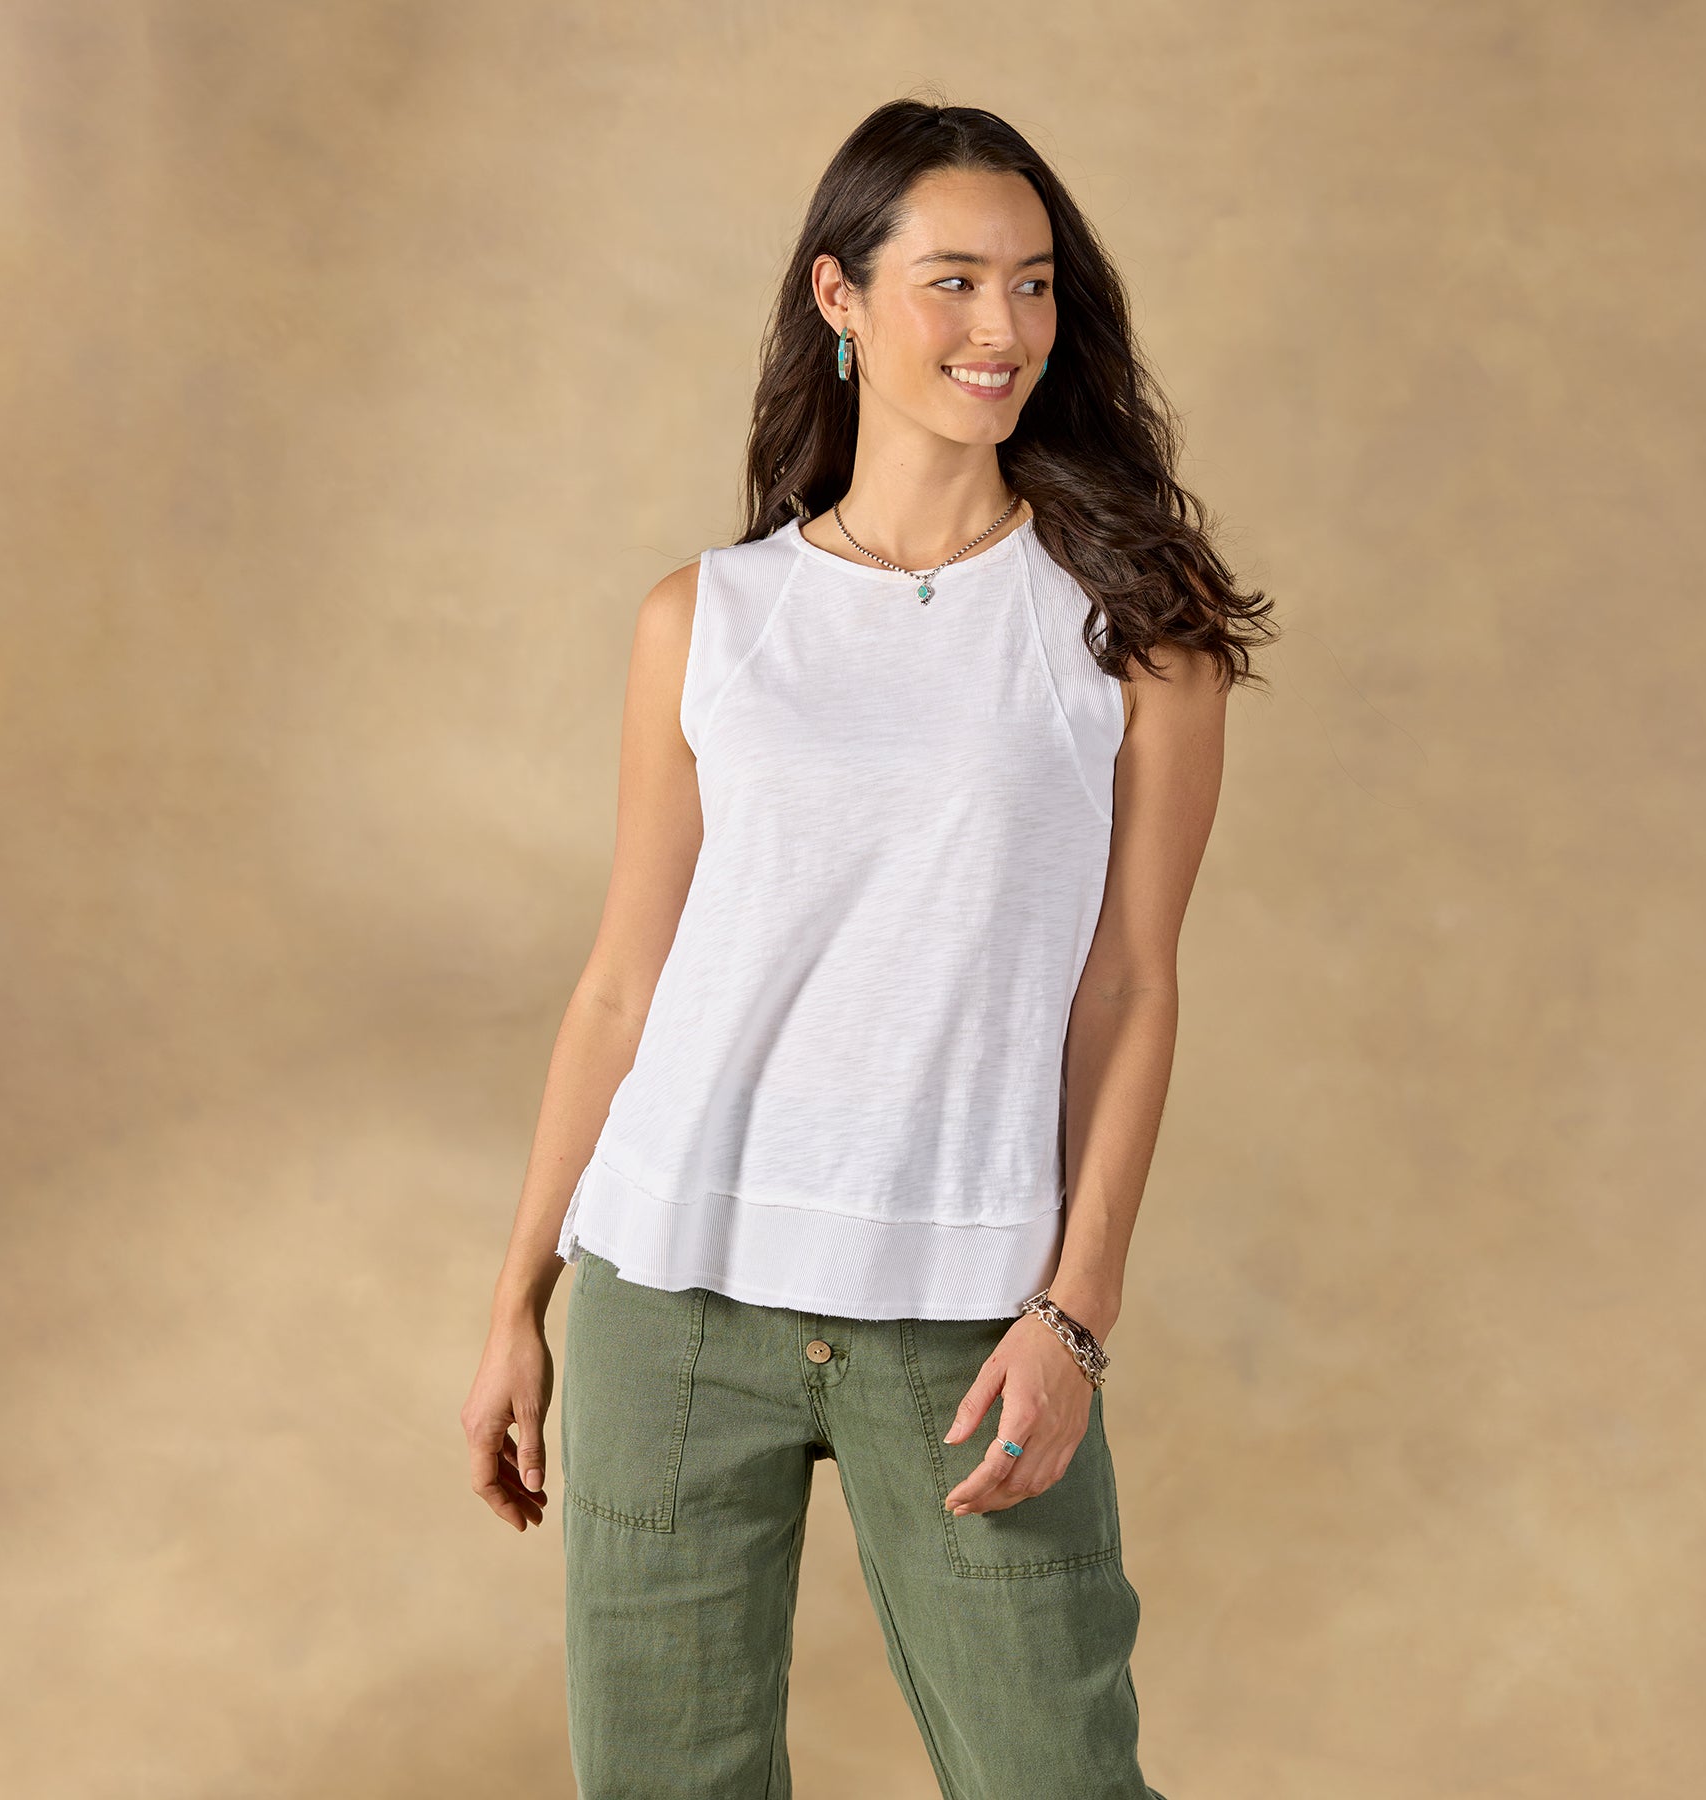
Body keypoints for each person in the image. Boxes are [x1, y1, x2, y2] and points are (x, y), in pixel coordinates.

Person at [461, 97, 1276, 1800]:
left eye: (1033, 284)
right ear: (838, 296)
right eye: (954, 280)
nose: (1003, 328)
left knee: (1056, 1773)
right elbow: (623, 982)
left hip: (970, 1317)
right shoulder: (710, 619)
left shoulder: (1133, 634)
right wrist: (519, 1297)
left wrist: (1077, 1314)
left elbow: (1132, 984)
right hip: (671, 1298)